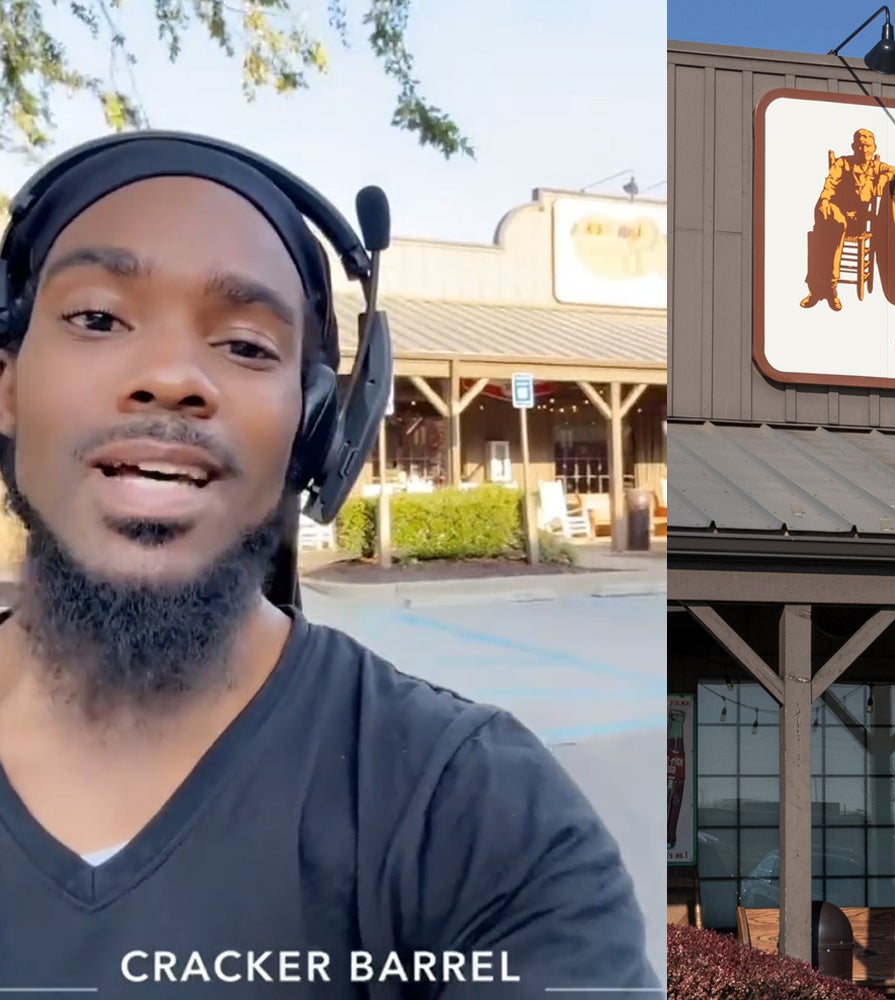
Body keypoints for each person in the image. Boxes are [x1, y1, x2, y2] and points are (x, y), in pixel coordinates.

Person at [0, 135, 658, 994]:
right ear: (8, 387)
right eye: (97, 318)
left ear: (318, 429)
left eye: (245, 344)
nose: (169, 377)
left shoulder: (480, 817)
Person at [800, 127, 895, 311]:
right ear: (853, 147)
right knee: (830, 225)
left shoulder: (877, 167)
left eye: (868, 146)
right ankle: (828, 288)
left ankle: (820, 289)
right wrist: (825, 200)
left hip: (856, 222)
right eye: (860, 146)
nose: (864, 150)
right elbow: (829, 184)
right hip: (833, 213)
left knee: (823, 234)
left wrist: (885, 178)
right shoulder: (843, 163)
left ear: (874, 148)